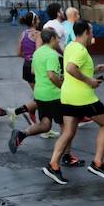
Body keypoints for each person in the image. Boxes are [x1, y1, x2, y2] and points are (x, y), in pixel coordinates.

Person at [43, 21, 104, 183]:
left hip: (67, 96)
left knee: (68, 132)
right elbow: (70, 68)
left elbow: (75, 67)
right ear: (85, 32)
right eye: (92, 32)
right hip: (83, 97)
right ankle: (97, 163)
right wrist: (90, 81)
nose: (93, 35)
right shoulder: (81, 50)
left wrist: (94, 70)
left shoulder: (70, 46)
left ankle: (53, 165)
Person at [9, 26, 75, 159]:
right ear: (51, 39)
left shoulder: (37, 52)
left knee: (45, 124)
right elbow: (51, 75)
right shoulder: (52, 54)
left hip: (40, 94)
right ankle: (67, 156)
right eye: (57, 38)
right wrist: (62, 85)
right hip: (53, 95)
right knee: (66, 126)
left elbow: (33, 71)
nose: (59, 41)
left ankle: (21, 134)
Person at [12, 11, 42, 128]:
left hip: (26, 66)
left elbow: (18, 53)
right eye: (38, 19)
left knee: (38, 95)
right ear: (34, 21)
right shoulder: (38, 34)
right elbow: (39, 52)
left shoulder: (23, 34)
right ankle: (17, 112)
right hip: (36, 67)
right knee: (42, 98)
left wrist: (28, 57)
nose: (39, 21)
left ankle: (32, 114)